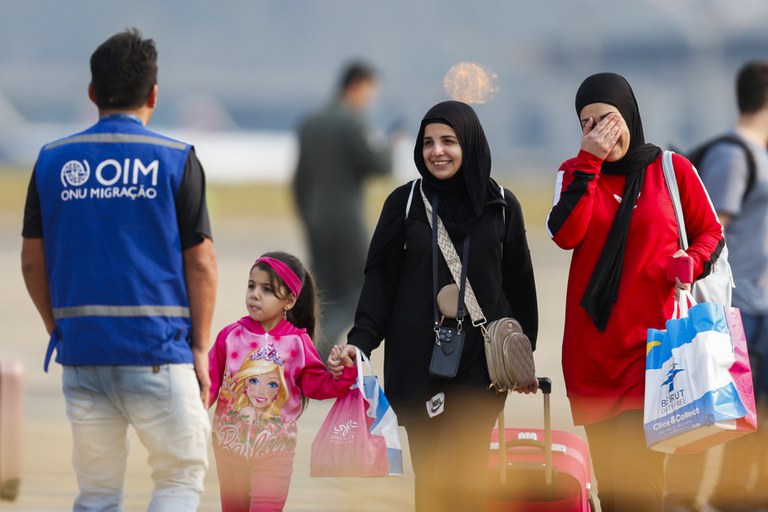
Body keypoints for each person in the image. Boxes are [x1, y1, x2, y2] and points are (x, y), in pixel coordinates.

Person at [19, 28, 217, 510]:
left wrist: (57, 326)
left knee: (98, 492)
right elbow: (202, 263)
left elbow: (30, 259)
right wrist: (200, 347)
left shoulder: (50, 161)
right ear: (153, 94)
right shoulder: (175, 159)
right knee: (176, 477)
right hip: (158, 350)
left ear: (92, 93)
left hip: (83, 354)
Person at [330, 100, 539, 512]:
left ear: (471, 144)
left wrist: (523, 357)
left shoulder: (501, 205)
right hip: (417, 365)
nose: (436, 151)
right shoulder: (404, 203)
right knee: (430, 482)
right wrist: (361, 342)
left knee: (464, 475)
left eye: (448, 141)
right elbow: (380, 284)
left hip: (480, 367)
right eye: (428, 142)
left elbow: (519, 288)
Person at [545, 72, 725, 512]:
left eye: (607, 118)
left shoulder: (671, 169)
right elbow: (566, 234)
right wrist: (589, 162)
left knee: (642, 490)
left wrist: (692, 261)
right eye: (587, 125)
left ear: (628, 114)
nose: (600, 132)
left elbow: (711, 233)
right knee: (616, 489)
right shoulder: (573, 174)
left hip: (657, 355)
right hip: (594, 358)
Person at [664, 60, 768, 512]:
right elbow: (710, 232)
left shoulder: (758, 150)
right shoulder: (734, 154)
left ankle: (740, 497)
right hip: (741, 307)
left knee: (752, 421)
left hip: (761, 306)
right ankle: (699, 499)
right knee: (718, 414)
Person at [208, 251, 357, 512]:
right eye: (251, 286)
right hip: (228, 450)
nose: (254, 294)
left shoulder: (298, 343)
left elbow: (318, 386)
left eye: (267, 289)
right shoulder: (230, 336)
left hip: (275, 453)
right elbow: (207, 384)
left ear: (289, 301)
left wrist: (341, 372)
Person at [292, 61, 395, 359]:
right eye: (370, 91)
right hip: (346, 224)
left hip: (315, 219)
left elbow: (299, 180)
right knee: (358, 290)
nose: (370, 98)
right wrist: (389, 145)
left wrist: (307, 216)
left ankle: (303, 352)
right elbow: (381, 165)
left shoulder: (310, 123)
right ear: (357, 86)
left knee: (322, 294)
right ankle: (321, 351)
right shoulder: (353, 122)